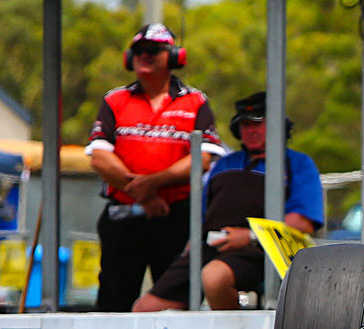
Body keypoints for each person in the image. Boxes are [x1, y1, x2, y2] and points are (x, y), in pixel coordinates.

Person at [133, 91, 324, 311]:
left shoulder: (298, 164)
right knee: (144, 308)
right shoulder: (224, 164)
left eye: (258, 123)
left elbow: (302, 222)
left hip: (262, 251)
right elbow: (202, 218)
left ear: (277, 126)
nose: (250, 130)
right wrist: (189, 250)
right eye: (244, 125)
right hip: (209, 247)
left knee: (214, 277)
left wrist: (250, 237)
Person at [86, 23, 224, 312]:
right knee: (114, 302)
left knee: (175, 302)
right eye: (138, 51)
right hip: (124, 218)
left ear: (174, 56)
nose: (144, 56)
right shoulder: (115, 100)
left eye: (153, 50)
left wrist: (153, 183)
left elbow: (202, 159)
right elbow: (99, 156)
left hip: (175, 219)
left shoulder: (195, 101)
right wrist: (144, 195)